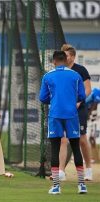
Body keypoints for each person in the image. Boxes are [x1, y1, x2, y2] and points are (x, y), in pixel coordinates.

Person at [39, 50, 87, 194]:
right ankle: (81, 185)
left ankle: (56, 187)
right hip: (72, 115)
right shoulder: (76, 75)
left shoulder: (48, 76)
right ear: (66, 60)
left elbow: (42, 98)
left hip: (55, 115)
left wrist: (54, 100)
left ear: (54, 61)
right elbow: (82, 96)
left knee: (55, 149)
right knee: (76, 148)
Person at [59, 44, 92, 181]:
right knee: (63, 140)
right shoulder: (60, 71)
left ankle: (88, 169)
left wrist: (78, 102)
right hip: (63, 110)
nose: (64, 58)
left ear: (72, 57)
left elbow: (88, 89)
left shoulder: (81, 70)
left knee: (82, 140)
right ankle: (60, 171)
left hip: (79, 110)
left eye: (66, 55)